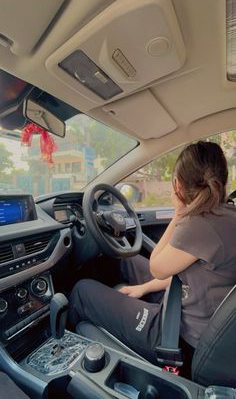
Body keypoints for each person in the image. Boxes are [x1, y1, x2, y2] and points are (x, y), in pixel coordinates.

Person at [68, 141, 236, 363]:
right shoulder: (226, 215)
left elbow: (157, 268)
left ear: (177, 184)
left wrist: (179, 212)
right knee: (124, 262)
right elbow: (191, 275)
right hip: (201, 310)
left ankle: (66, 353)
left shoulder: (199, 224)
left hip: (181, 337)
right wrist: (143, 288)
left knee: (82, 291)